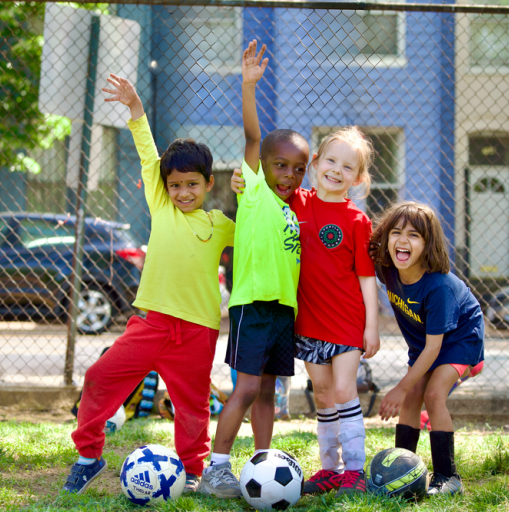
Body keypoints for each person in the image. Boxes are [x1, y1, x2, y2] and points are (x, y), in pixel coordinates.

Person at [62, 75, 235, 495]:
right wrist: (136, 110)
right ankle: (89, 455)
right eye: (175, 185)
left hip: (197, 329)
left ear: (209, 184)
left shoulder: (221, 225)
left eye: (192, 184)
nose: (182, 192)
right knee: (100, 376)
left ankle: (193, 471)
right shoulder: (163, 208)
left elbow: (258, 235)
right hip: (152, 323)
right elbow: (147, 156)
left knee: (192, 405)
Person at [231, 117, 381, 497]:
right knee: (325, 395)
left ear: (358, 178)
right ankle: (330, 468)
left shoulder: (357, 221)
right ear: (316, 164)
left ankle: (355, 470)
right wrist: (240, 180)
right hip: (309, 325)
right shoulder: (298, 201)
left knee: (346, 391)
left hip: (347, 325)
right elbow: (264, 183)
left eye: (348, 167)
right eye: (331, 162)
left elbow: (366, 278)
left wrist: (372, 326)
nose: (337, 171)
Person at [199, 41, 309, 499]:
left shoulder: (292, 209)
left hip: (282, 311)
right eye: (280, 165)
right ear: (262, 167)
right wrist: (248, 86)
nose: (288, 174)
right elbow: (251, 136)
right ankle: (216, 468)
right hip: (253, 306)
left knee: (268, 394)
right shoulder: (257, 191)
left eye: (297, 168)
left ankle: (263, 463)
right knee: (245, 389)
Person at [369, 201, 485, 496]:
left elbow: (435, 349)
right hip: (424, 344)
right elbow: (364, 244)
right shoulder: (388, 269)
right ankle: (399, 471)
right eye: (396, 232)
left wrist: (399, 387)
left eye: (414, 235)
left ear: (428, 243)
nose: (403, 241)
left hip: (459, 340)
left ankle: (448, 477)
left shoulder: (438, 288)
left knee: (433, 395)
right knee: (411, 400)